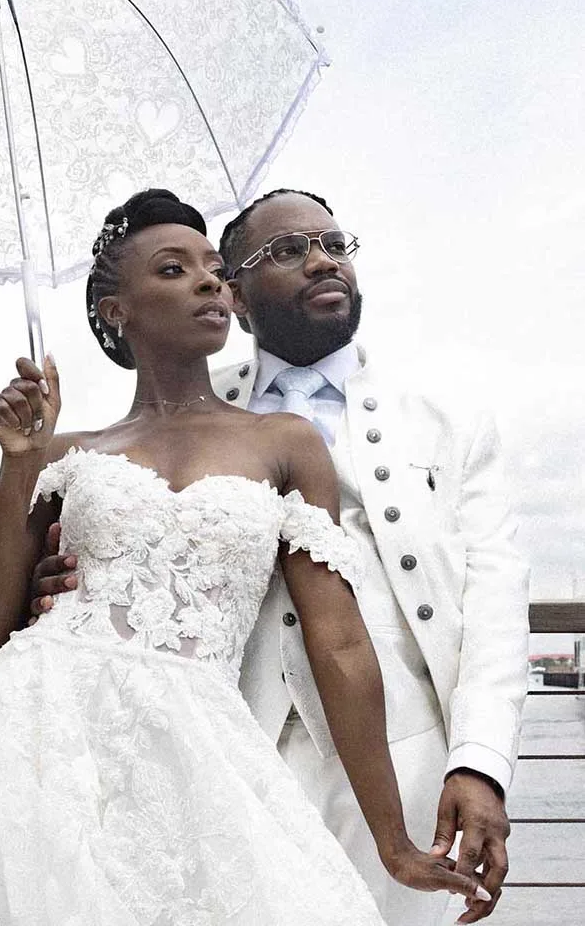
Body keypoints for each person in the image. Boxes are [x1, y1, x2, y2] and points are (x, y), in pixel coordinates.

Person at [0, 190, 486, 926]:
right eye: (173, 268)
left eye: (215, 269)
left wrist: (393, 839)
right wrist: (18, 463)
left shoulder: (285, 442)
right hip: (30, 737)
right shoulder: (67, 453)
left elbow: (340, 641)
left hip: (197, 742)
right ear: (115, 311)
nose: (208, 283)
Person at [30, 188, 530, 926]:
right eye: (287, 251)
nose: (323, 260)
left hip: (407, 755)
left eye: (334, 243)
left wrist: (478, 762)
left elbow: (494, 595)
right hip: (224, 753)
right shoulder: (180, 409)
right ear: (230, 291)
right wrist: (66, 578)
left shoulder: (446, 416)